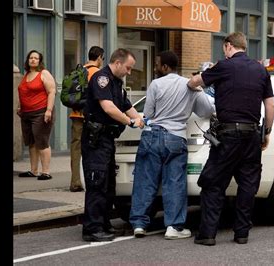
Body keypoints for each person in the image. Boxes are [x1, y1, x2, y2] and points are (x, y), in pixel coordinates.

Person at [187, 32, 274, 245]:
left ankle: (207, 234)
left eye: (224, 48)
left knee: (213, 183)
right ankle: (242, 234)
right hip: (252, 135)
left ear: (228, 46)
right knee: (247, 184)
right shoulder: (261, 70)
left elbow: (193, 83)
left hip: (227, 136)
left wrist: (202, 78)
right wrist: (266, 132)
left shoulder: (223, 66)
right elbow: (270, 105)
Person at [129, 51, 215, 240]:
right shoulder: (190, 85)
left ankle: (139, 224)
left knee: (145, 180)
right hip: (176, 137)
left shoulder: (156, 84)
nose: (155, 67)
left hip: (151, 136)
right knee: (174, 183)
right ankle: (173, 227)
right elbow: (207, 110)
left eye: (157, 64)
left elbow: (148, 112)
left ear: (165, 67)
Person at [81, 48, 145, 242]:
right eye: (128, 68)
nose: (129, 72)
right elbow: (108, 107)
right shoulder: (102, 79)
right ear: (117, 62)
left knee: (109, 185)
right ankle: (92, 228)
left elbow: (126, 106)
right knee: (97, 182)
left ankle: (104, 224)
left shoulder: (116, 83)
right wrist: (129, 122)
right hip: (96, 139)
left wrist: (142, 120)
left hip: (107, 139)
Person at [69, 46, 105, 192]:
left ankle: (75, 181)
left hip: (76, 114)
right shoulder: (97, 73)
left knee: (76, 148)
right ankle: (90, 180)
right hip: (91, 117)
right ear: (99, 58)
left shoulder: (79, 70)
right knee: (92, 148)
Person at [17, 50, 57, 181]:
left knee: (42, 142)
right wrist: (20, 107)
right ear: (28, 60)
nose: (33, 60)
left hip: (41, 112)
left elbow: (52, 92)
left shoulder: (43, 73)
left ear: (40, 61)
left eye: (36, 58)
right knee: (32, 143)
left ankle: (45, 172)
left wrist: (49, 110)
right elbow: (25, 93)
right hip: (26, 114)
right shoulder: (26, 75)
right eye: (31, 58)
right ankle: (34, 171)